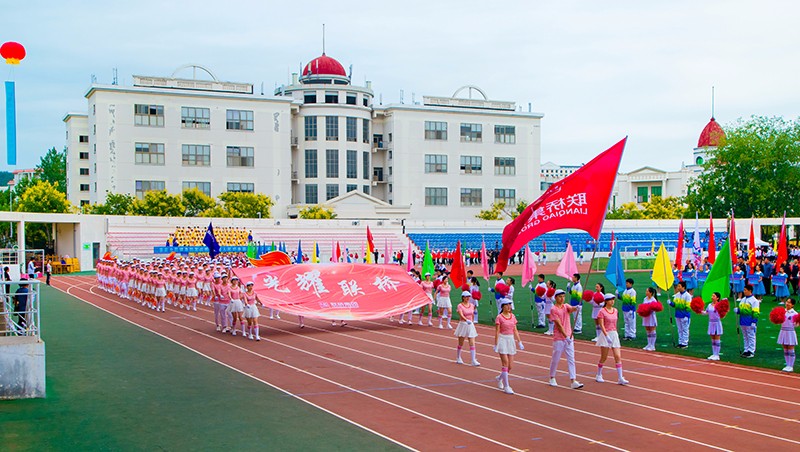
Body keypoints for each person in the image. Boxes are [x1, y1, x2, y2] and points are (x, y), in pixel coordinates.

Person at [548, 289, 583, 389]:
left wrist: (577, 307)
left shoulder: (566, 306)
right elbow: (558, 325)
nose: (562, 298)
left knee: (571, 359)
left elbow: (571, 309)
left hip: (569, 336)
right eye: (560, 297)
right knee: (556, 358)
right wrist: (566, 336)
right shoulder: (553, 309)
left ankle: (573, 380)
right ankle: (552, 377)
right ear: (556, 298)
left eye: (563, 296)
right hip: (559, 338)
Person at [595, 293, 628, 385]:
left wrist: (615, 334)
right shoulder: (602, 311)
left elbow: (615, 323)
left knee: (617, 356)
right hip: (606, 334)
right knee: (604, 357)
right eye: (610, 300)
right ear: (606, 301)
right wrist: (606, 335)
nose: (612, 301)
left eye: (613, 299)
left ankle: (620, 377)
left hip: (614, 334)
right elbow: (601, 325)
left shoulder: (615, 310)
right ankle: (599, 374)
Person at [493, 298, 523, 394]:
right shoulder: (499, 317)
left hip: (510, 340)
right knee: (505, 363)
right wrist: (496, 343)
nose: (509, 307)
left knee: (510, 366)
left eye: (510, 305)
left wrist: (519, 342)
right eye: (507, 305)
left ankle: (500, 378)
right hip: (502, 340)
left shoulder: (513, 316)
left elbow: (515, 330)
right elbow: (497, 331)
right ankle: (506, 386)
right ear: (502, 306)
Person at [454, 291, 480, 366]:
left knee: (472, 342)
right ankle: (458, 357)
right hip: (463, 324)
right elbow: (461, 314)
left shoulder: (471, 305)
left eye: (469, 296)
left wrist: (471, 321)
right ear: (463, 297)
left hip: (470, 324)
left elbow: (472, 313)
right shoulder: (460, 306)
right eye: (466, 296)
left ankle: (473, 360)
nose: (468, 298)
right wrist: (466, 320)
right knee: (461, 342)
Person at [736, 284, 760, 358]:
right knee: (745, 336)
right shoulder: (743, 299)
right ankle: (746, 349)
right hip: (742, 320)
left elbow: (756, 312)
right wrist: (738, 310)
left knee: (751, 336)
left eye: (745, 290)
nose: (744, 291)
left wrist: (754, 321)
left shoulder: (754, 301)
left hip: (750, 321)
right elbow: (741, 310)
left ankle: (751, 351)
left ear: (750, 291)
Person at [700, 292, 724, 360]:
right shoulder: (709, 305)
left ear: (717, 298)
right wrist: (701, 311)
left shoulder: (719, 305)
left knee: (717, 338)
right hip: (711, 323)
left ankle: (717, 355)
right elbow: (706, 312)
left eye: (714, 296)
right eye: (712, 296)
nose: (712, 297)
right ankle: (714, 354)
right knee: (713, 339)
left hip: (717, 323)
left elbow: (722, 314)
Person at [669, 281, 692, 348]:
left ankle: (685, 343)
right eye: (678, 286)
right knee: (680, 329)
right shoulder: (677, 295)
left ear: (683, 287)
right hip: (678, 315)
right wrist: (670, 303)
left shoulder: (688, 296)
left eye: (679, 286)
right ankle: (680, 342)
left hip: (684, 315)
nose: (678, 287)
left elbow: (688, 306)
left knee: (685, 329)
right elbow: (675, 305)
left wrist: (686, 315)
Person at [778, 298, 797, 372]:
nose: (787, 303)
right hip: (783, 330)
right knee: (785, 348)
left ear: (792, 305)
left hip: (790, 332)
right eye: (787, 302)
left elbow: (796, 324)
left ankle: (791, 366)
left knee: (791, 348)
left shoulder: (794, 313)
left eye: (789, 302)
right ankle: (787, 364)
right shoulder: (782, 312)